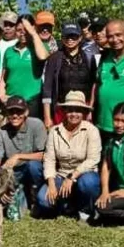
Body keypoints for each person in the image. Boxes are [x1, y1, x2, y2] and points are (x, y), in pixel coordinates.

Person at [37, 91, 102, 221]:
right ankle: (67, 204)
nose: (73, 114)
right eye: (70, 110)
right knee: (43, 200)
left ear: (84, 113)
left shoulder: (92, 130)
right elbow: (49, 159)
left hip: (84, 175)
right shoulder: (54, 131)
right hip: (61, 175)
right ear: (64, 111)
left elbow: (93, 159)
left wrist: (72, 176)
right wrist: (51, 184)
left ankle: (85, 209)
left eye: (78, 110)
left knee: (88, 183)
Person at [41, 20, 97, 129]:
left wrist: (90, 110)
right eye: (67, 36)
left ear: (80, 38)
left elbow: (93, 86)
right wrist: (47, 117)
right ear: (62, 38)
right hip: (61, 110)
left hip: (83, 109)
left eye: (74, 36)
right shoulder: (54, 58)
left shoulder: (89, 58)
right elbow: (47, 89)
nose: (70, 39)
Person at [0, 95, 47, 206]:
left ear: (26, 112)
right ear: (6, 113)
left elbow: (45, 155)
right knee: (11, 206)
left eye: (19, 111)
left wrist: (18, 156)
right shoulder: (1, 132)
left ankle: (37, 192)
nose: (15, 115)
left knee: (33, 165)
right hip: (14, 173)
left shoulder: (37, 125)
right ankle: (22, 193)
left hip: (33, 169)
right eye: (11, 112)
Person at [0, 15, 49, 118]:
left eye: (26, 30)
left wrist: (33, 33)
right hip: (11, 101)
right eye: (19, 30)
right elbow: (4, 77)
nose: (22, 33)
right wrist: (1, 95)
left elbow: (43, 56)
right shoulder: (9, 51)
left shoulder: (39, 47)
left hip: (31, 102)